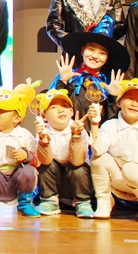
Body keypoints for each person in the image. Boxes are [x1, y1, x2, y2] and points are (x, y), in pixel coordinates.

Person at [88, 79, 138, 227]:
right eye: (130, 98)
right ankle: (104, 202)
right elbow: (98, 150)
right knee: (98, 159)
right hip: (118, 180)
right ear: (119, 102)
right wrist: (94, 124)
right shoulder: (110, 126)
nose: (134, 104)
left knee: (131, 169)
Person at [50, 15, 129, 128]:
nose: (95, 56)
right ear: (82, 51)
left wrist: (113, 97)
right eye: (91, 49)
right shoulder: (68, 77)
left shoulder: (108, 83)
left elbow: (113, 123)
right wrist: (63, 82)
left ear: (107, 57)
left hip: (97, 136)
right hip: (68, 134)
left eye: (102, 53)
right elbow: (52, 109)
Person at [0, 83, 40, 217]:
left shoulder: (25, 135)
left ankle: (25, 203)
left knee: (28, 171)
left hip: (16, 183)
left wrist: (26, 156)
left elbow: (35, 161)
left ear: (17, 118)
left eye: (2, 110)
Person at [34, 89, 93, 218]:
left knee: (78, 168)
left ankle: (82, 202)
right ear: (44, 116)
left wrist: (76, 135)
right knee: (45, 165)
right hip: (56, 180)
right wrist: (44, 140)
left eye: (65, 106)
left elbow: (77, 161)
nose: (61, 110)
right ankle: (49, 201)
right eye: (54, 107)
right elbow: (45, 161)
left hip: (76, 179)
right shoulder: (43, 131)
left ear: (71, 112)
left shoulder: (79, 128)